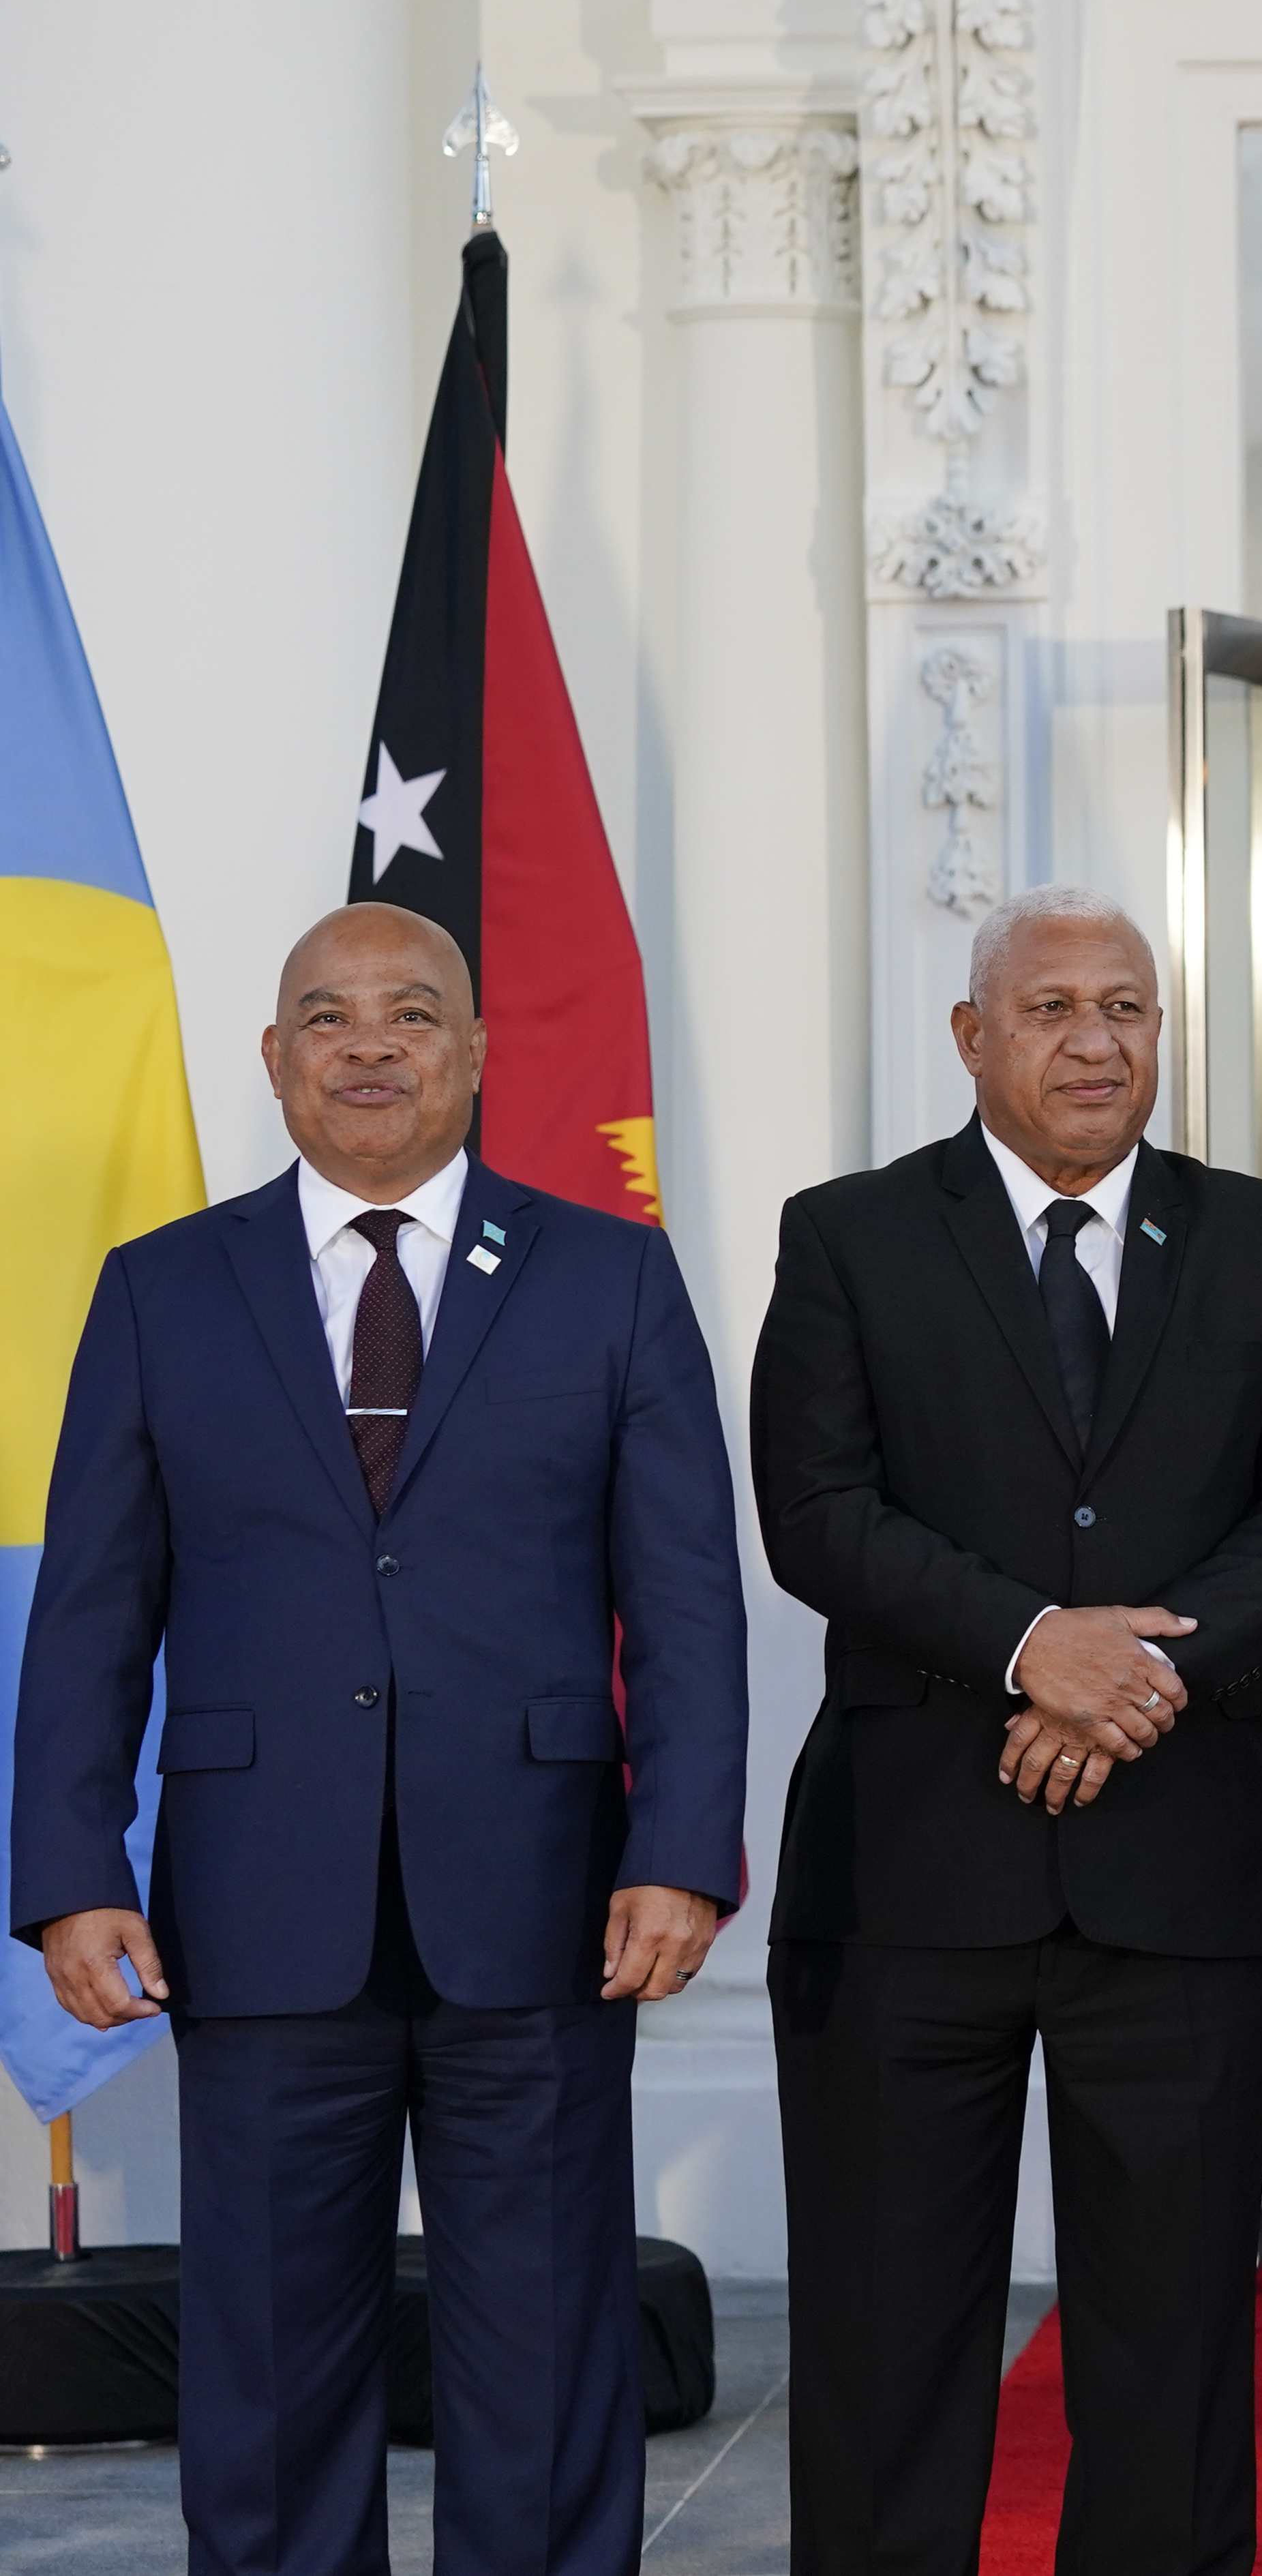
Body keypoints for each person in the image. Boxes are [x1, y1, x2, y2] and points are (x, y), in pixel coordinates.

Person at [11, 903, 747, 2576]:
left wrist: (682, 1852)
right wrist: (72, 1871)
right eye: (327, 1017)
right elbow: (94, 1607)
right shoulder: (163, 1288)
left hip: (546, 1903)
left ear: (474, 1052)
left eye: (410, 1014)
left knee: (545, 2353)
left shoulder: (610, 1275)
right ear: (274, 1059)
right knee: (268, 2364)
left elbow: (686, 1599)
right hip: (259, 1905)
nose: (368, 1046)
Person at [750, 884, 1262, 2569]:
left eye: (1127, 1008)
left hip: (1177, 1872)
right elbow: (816, 1512)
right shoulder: (852, 1235)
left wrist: (1130, 1680)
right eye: (1050, 1010)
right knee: (885, 2348)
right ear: (972, 1036)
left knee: (1171, 2356)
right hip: (908, 1873)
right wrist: (1036, 1646)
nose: (1095, 1041)